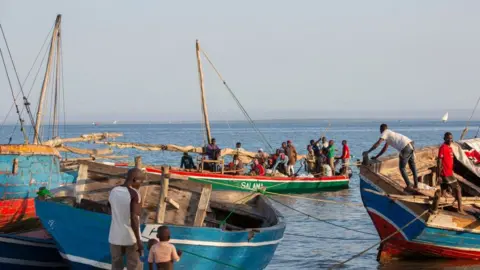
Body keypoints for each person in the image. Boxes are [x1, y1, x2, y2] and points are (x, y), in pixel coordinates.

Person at [108, 168, 145, 270]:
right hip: (130, 237)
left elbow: (110, 209)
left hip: (114, 236)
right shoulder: (135, 194)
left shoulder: (113, 191)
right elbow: (134, 218)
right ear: (134, 179)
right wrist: (139, 241)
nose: (141, 184)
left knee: (116, 265)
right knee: (134, 265)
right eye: (140, 181)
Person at [363, 123, 419, 190]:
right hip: (411, 144)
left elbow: (378, 143)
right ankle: (416, 185)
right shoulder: (390, 134)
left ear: (381, 129)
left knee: (402, 168)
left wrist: (368, 151)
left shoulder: (385, 132)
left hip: (405, 148)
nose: (380, 132)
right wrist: (376, 157)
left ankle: (409, 186)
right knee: (412, 166)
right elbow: (384, 149)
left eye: (380, 130)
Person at [437, 132, 465, 214]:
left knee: (444, 191)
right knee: (458, 189)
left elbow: (450, 160)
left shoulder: (450, 148)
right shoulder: (443, 147)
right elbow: (439, 162)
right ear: (444, 139)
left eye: (451, 138)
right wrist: (439, 175)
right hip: (446, 173)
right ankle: (460, 209)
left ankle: (441, 206)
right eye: (448, 138)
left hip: (449, 172)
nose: (450, 140)